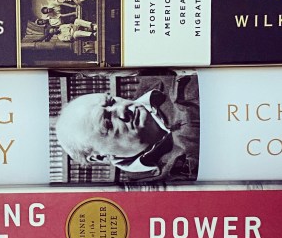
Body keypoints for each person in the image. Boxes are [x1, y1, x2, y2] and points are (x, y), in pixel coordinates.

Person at [53, 72, 199, 180]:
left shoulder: (162, 74)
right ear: (100, 157)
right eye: (108, 123)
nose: (122, 109)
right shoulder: (148, 194)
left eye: (111, 101)